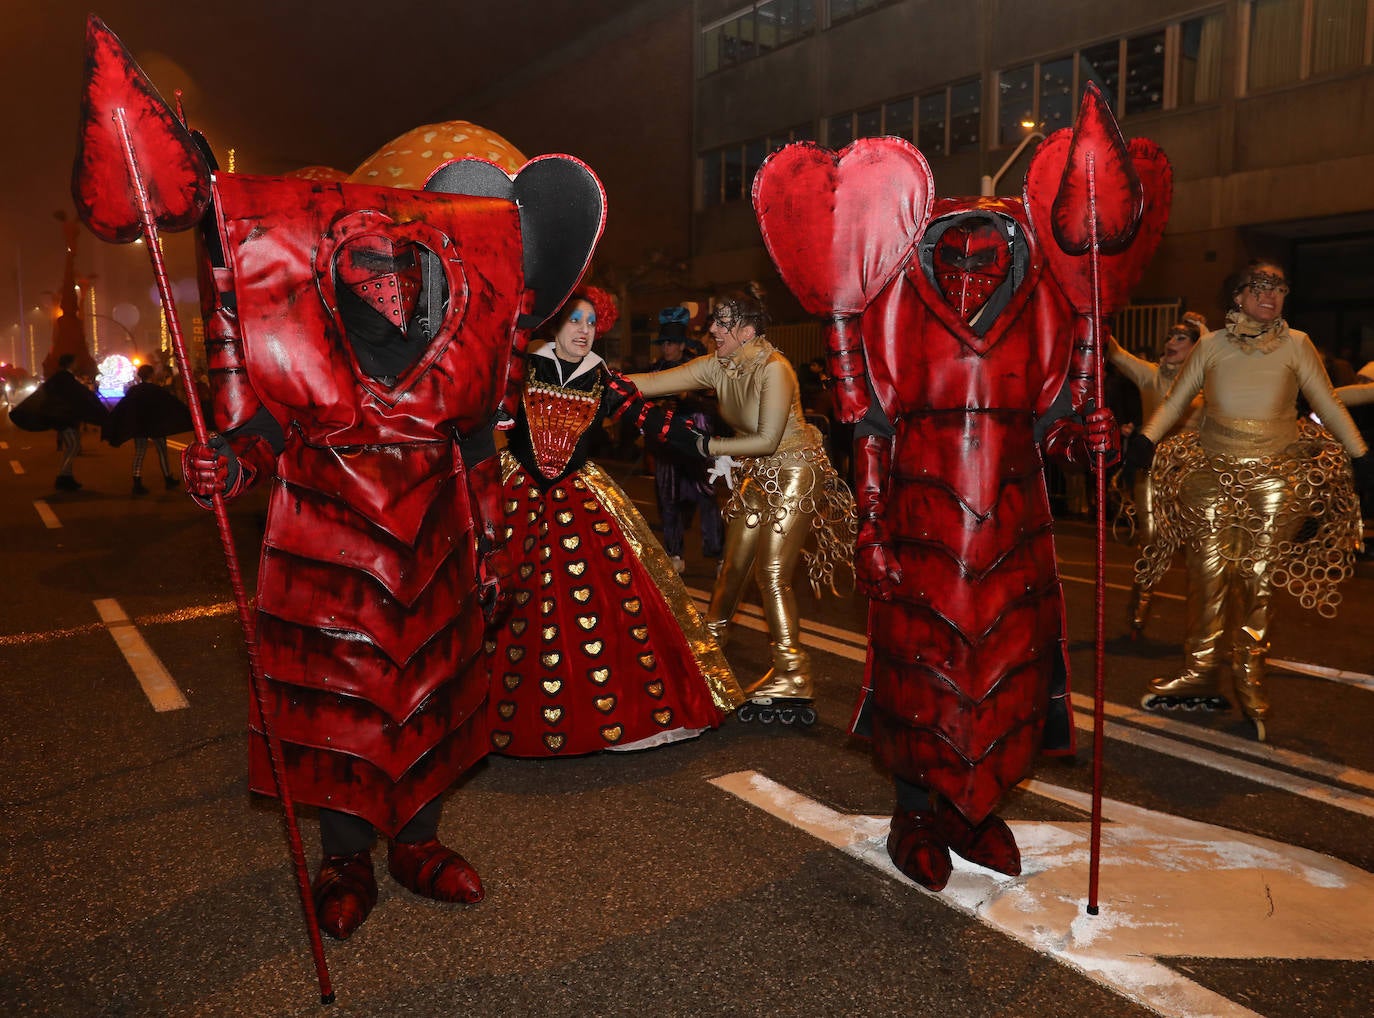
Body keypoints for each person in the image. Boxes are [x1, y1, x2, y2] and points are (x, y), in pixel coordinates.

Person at [180, 162, 566, 941]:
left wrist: (494, 550)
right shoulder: (303, 330)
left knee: (431, 698)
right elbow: (262, 430)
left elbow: (478, 447)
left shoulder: (460, 332)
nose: (389, 281)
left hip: (436, 546)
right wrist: (226, 465)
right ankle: (346, 860)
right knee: (340, 715)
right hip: (326, 552)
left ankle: (415, 846)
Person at [486, 290, 741, 756]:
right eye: (575, 321)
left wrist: (713, 449)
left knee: (603, 605)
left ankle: (604, 715)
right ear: (554, 326)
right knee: (507, 600)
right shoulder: (520, 370)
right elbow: (481, 414)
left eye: (591, 323)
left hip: (576, 496)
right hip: (518, 495)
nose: (584, 330)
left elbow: (655, 423)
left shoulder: (604, 380)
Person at [1129, 261, 1372, 740]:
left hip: (1276, 476)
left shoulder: (1297, 345)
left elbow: (1327, 403)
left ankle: (1248, 676)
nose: (1271, 294)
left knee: (1256, 577)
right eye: (1260, 286)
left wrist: (1361, 454)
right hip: (1210, 474)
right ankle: (1199, 669)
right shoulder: (1212, 345)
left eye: (1279, 287)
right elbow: (1177, 402)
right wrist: (1146, 437)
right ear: (1237, 296)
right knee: (1207, 574)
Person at [630, 290, 856, 726]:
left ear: (747, 331)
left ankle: (793, 670)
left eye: (722, 323)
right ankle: (708, 648)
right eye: (714, 323)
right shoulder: (720, 365)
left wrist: (704, 445)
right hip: (757, 474)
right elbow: (654, 382)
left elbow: (768, 439)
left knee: (770, 573)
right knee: (732, 567)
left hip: (794, 470)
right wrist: (591, 379)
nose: (712, 330)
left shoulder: (776, 369)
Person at [1107, 319, 1203, 635]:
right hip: (1152, 473)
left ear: (1196, 346)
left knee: (1200, 554)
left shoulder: (1210, 385)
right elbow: (1117, 354)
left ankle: (1202, 627)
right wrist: (1097, 316)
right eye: (1170, 337)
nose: (1171, 343)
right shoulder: (1150, 376)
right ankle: (1140, 605)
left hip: (1194, 478)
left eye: (1181, 338)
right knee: (1150, 543)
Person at [648, 305, 724, 574]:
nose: (666, 347)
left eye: (671, 342)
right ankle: (674, 553)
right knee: (668, 499)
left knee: (707, 496)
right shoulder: (655, 369)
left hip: (695, 439)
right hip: (666, 443)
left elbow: (713, 401)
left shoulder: (697, 366)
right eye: (663, 342)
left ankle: (718, 556)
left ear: (681, 344)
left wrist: (684, 397)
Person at [8, 352, 108, 491]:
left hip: (63, 418)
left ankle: (67, 476)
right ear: (71, 364)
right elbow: (78, 394)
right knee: (73, 446)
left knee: (72, 446)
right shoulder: (64, 379)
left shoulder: (61, 378)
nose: (77, 364)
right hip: (63, 418)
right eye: (75, 362)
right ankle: (63, 477)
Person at [103, 362, 192, 494]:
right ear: (151, 375)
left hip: (139, 426)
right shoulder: (156, 390)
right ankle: (168, 478)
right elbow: (172, 404)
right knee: (162, 451)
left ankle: (137, 481)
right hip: (156, 426)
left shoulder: (134, 390)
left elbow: (124, 407)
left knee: (139, 452)